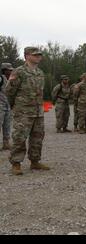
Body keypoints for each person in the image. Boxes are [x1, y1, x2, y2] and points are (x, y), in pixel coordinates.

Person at [5, 47, 50, 175]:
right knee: (19, 137)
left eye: (39, 55)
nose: (38, 57)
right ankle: (16, 163)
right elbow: (9, 92)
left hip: (38, 111)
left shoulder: (40, 72)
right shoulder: (19, 72)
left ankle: (35, 161)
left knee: (37, 137)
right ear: (27, 56)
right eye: (35, 55)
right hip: (23, 111)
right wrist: (15, 106)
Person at [0, 63, 13, 150]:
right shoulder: (1, 79)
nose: (11, 71)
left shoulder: (11, 80)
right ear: (4, 70)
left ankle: (6, 143)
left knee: (7, 125)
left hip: (8, 106)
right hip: (0, 105)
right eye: (9, 70)